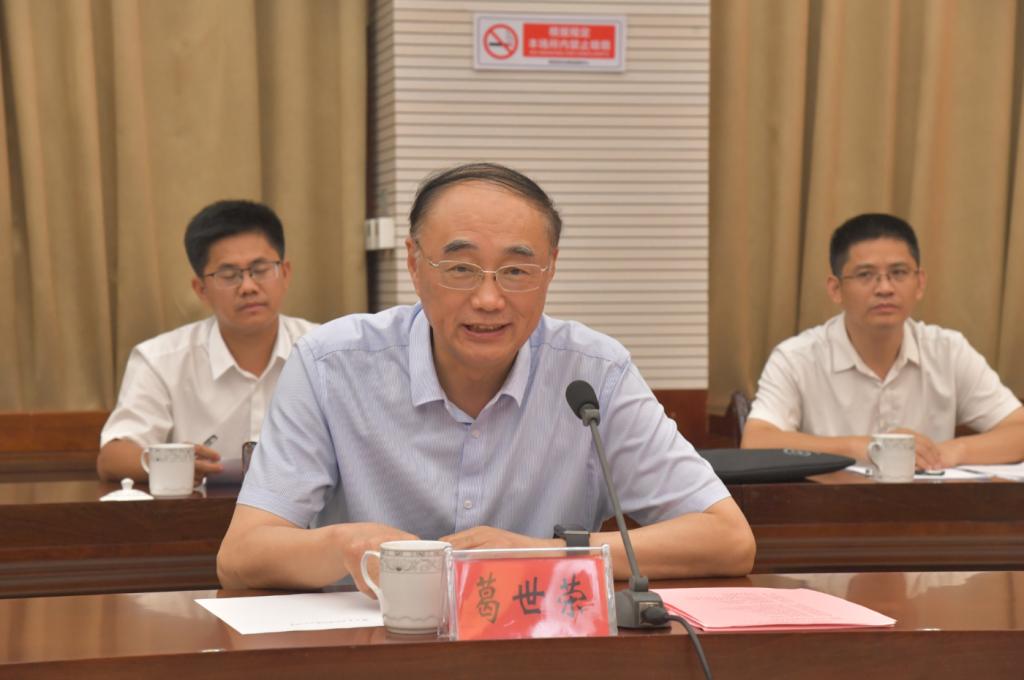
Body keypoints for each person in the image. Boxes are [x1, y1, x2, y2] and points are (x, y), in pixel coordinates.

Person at [217, 163, 755, 592]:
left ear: (551, 268)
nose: (490, 299)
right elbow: (241, 557)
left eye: (517, 271)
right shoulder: (331, 365)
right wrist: (346, 547)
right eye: (461, 269)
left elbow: (728, 538)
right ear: (414, 264)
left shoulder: (594, 373)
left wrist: (545, 554)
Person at [742, 213, 1024, 470]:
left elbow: (1018, 429)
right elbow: (756, 441)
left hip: (931, 506)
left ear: (920, 282)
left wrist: (948, 452)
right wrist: (860, 447)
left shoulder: (948, 351)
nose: (885, 288)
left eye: (899, 273)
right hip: (830, 506)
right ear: (836, 289)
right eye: (865, 275)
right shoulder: (796, 357)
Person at [97, 200, 317, 484]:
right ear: (201, 289)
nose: (248, 287)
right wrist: (171, 462)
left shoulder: (326, 351)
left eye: (260, 269)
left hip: (309, 510)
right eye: (229, 275)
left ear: (284, 273)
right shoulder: (160, 359)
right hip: (201, 509)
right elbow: (112, 457)